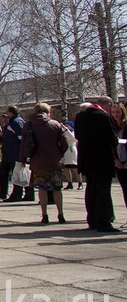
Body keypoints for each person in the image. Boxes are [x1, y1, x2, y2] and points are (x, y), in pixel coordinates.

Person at [74, 97, 119, 233]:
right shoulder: (103, 116)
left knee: (91, 189)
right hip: (102, 159)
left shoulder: (80, 117)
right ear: (106, 105)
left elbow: (77, 136)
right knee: (103, 191)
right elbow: (111, 138)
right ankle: (103, 221)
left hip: (86, 159)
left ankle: (92, 219)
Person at [21, 102, 68, 224]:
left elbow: (24, 145)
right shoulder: (55, 124)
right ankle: (60, 214)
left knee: (42, 188)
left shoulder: (29, 125)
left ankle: (44, 214)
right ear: (47, 112)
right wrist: (59, 153)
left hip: (37, 161)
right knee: (57, 188)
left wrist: (23, 158)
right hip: (54, 160)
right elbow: (65, 142)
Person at [112, 104, 127, 213]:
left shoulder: (125, 125)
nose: (116, 115)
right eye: (113, 112)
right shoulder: (112, 126)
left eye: (118, 112)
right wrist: (115, 160)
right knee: (125, 190)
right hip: (119, 160)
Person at [62, 120, 81, 190]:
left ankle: (80, 183)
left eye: (68, 125)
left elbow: (73, 138)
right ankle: (69, 183)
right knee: (67, 168)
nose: (66, 127)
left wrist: (66, 129)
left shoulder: (73, 132)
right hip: (66, 151)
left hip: (72, 150)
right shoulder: (64, 133)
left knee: (75, 168)